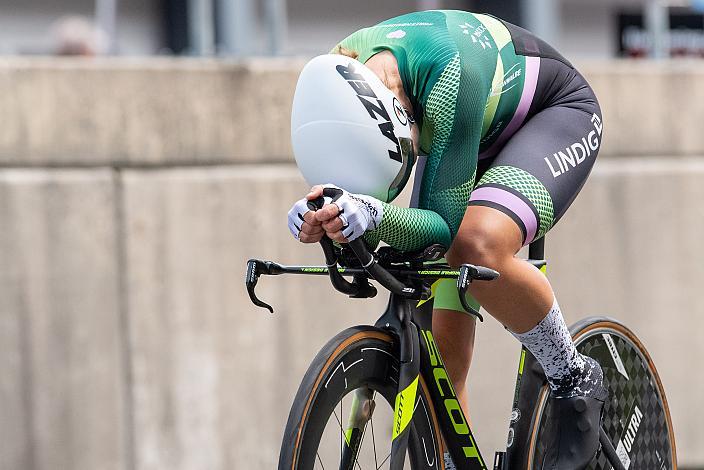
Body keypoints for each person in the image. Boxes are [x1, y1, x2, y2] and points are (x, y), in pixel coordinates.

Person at [287, 10, 606, 469]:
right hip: (457, 140)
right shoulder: (343, 69)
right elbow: (363, 188)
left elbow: (438, 223)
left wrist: (373, 214)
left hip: (550, 116)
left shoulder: (447, 78)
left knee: (473, 246)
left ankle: (573, 377)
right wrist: (329, 216)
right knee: (438, 347)